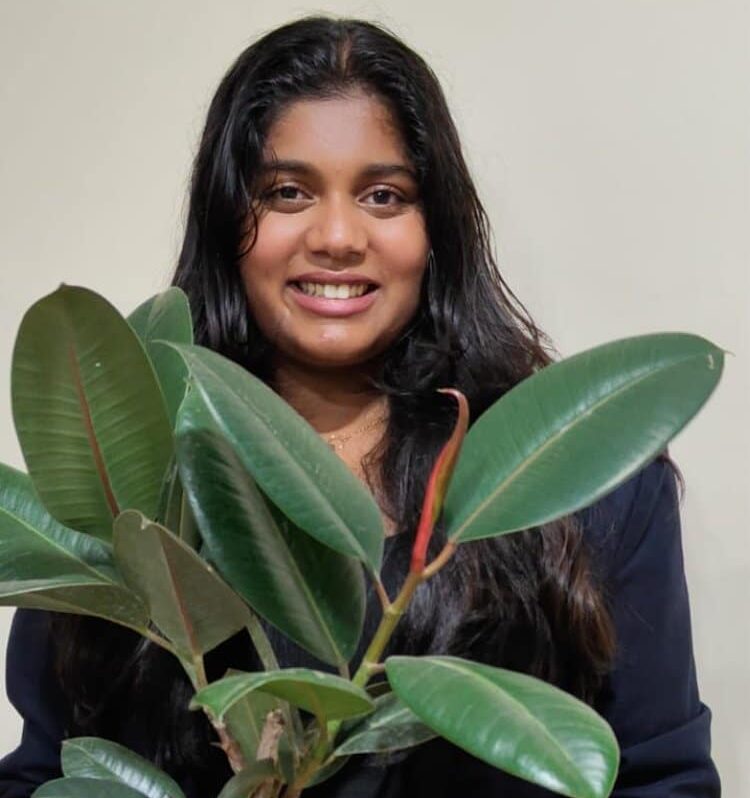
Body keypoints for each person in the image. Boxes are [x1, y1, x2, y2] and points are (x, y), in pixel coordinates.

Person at [0, 15, 720, 798]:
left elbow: (662, 779)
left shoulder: (589, 493)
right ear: (226, 222)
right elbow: (49, 775)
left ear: (434, 228)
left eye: (384, 195)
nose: (338, 236)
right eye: (286, 192)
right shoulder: (135, 493)